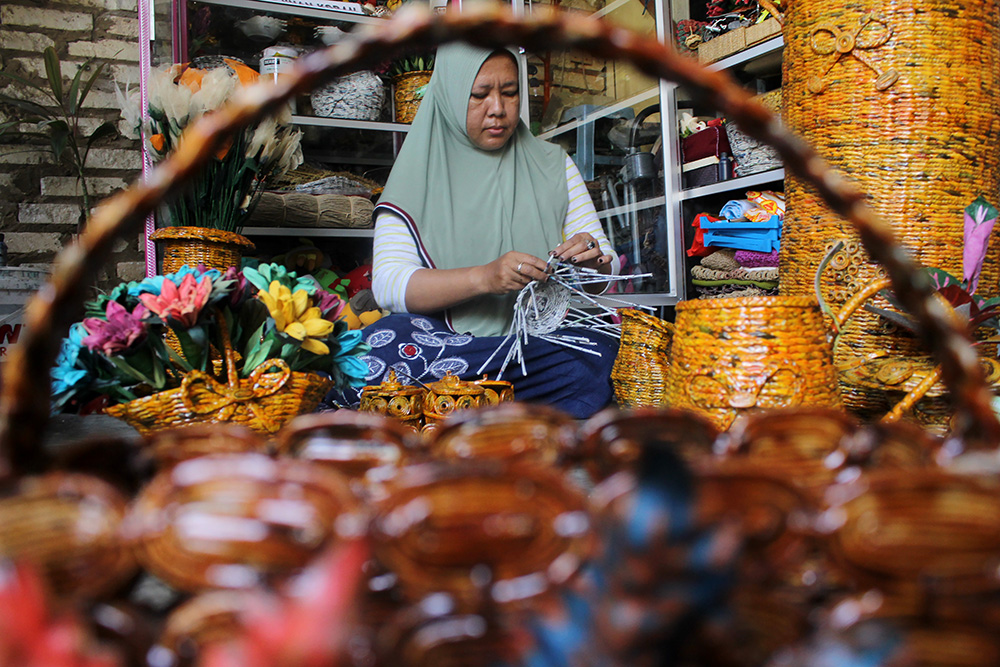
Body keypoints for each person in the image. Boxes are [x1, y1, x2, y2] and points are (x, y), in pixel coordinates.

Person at [339, 42, 621, 418]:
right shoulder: (416, 176)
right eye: (479, 95)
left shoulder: (553, 165)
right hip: (450, 348)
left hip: (533, 348)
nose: (498, 110)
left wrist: (593, 262)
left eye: (510, 92)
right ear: (451, 95)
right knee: (381, 346)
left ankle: (460, 408)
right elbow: (389, 286)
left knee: (599, 348)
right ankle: (502, 405)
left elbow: (608, 271)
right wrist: (485, 278)